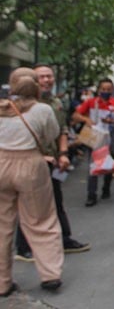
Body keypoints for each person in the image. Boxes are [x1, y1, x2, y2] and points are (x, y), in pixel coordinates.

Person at [15, 64, 89, 261]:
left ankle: (64, 239)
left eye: (49, 76)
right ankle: (23, 247)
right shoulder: (19, 106)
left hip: (53, 161)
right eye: (42, 77)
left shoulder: (55, 102)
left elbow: (62, 130)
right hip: (29, 162)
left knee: (56, 200)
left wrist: (63, 153)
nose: (46, 80)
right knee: (29, 204)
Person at [0, 68, 65, 296]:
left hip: (1, 163)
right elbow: (51, 136)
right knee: (41, 220)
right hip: (31, 164)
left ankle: (2, 282)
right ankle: (50, 274)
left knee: (2, 224)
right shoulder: (43, 110)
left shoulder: (2, 108)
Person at [73, 78, 114, 206]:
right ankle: (91, 194)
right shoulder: (91, 102)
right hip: (94, 137)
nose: (106, 91)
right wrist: (86, 120)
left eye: (108, 89)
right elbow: (76, 115)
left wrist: (113, 122)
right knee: (93, 165)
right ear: (99, 89)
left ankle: (106, 186)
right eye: (103, 89)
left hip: (110, 137)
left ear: (112, 90)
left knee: (108, 162)